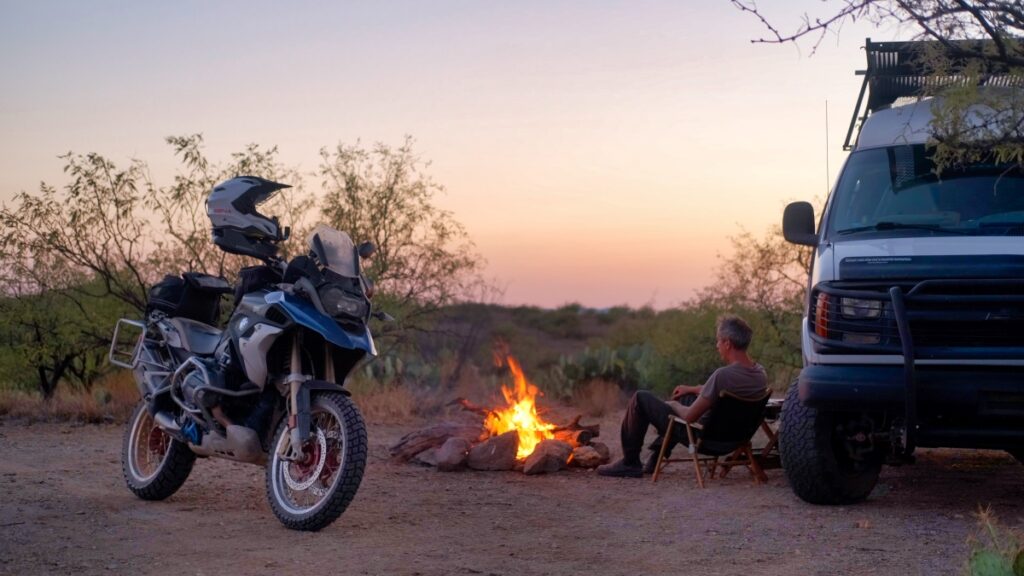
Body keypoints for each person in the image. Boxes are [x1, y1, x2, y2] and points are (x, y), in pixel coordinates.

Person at [597, 314, 769, 478]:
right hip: (733, 439)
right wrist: (692, 389)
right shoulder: (760, 374)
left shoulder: (722, 375)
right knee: (687, 397)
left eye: (718, 341)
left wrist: (673, 405)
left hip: (704, 439)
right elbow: (720, 391)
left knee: (640, 398)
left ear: (727, 343)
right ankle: (656, 458)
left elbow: (689, 416)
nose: (717, 346)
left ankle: (630, 462)